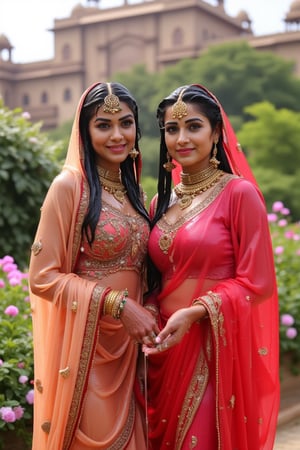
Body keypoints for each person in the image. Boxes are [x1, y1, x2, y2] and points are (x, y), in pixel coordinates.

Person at [143, 84, 280, 449]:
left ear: (216, 132)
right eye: (172, 129)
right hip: (163, 351)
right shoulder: (161, 201)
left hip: (213, 353)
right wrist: (152, 308)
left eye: (194, 127)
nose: (182, 138)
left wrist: (195, 313)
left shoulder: (239, 194)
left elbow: (258, 281)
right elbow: (158, 278)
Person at [29, 81, 159, 450]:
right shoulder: (69, 187)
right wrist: (119, 305)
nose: (117, 135)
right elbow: (42, 277)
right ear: (85, 132)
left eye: (126, 123)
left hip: (133, 352)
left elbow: (143, 271)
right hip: (86, 352)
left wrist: (147, 308)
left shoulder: (136, 194)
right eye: (103, 125)